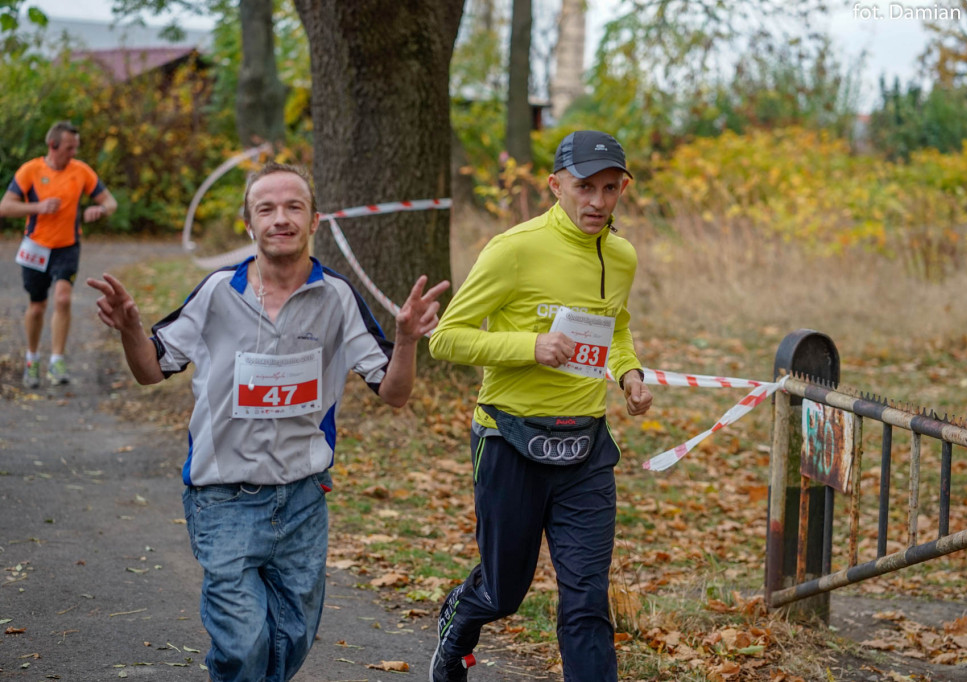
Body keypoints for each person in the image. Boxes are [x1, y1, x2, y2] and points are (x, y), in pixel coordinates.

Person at [86, 162, 449, 682]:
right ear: (249, 223)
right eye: (267, 208)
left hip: (302, 499)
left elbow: (393, 393)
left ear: (314, 220)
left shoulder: (337, 297)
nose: (281, 218)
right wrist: (130, 330)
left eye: (294, 207)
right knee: (242, 644)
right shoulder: (218, 292)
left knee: (290, 638)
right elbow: (150, 369)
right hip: (223, 496)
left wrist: (408, 340)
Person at [427, 130, 654, 682]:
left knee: (587, 600)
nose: (598, 201)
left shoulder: (620, 255)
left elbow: (615, 327)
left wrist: (629, 374)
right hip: (509, 438)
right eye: (584, 187)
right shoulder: (514, 249)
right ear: (555, 185)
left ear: (623, 189)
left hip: (585, 446)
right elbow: (447, 338)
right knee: (503, 592)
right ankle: (459, 621)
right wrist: (531, 346)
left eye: (610, 188)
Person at [0, 120, 118, 388]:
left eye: (76, 147)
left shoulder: (81, 171)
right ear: (53, 146)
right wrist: (38, 207)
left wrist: (101, 209)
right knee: (37, 306)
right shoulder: (30, 170)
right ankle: (32, 360)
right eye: (69, 148)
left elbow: (110, 201)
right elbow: (5, 207)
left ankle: (57, 360)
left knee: (63, 299)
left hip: (67, 246)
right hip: (36, 247)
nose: (74, 153)